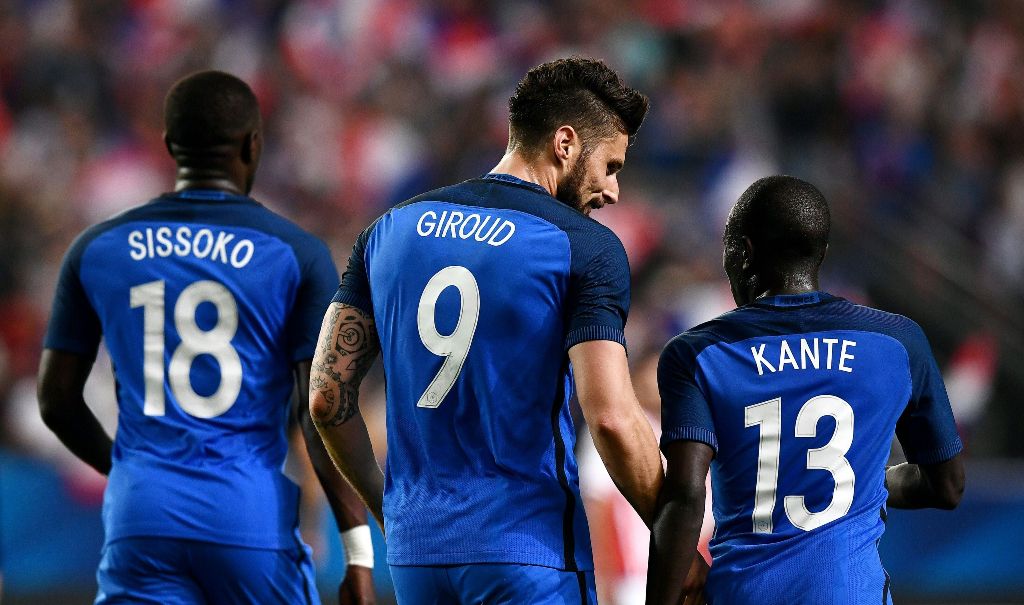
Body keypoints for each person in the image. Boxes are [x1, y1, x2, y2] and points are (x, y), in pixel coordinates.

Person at [309, 56, 666, 604]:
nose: (613, 192)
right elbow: (614, 419)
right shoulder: (584, 247)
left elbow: (325, 397)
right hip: (528, 551)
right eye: (611, 167)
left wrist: (391, 509)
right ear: (566, 143)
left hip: (417, 556)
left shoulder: (387, 230)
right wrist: (673, 536)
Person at [37, 70, 376, 605]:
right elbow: (321, 409)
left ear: (171, 146)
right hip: (246, 516)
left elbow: (55, 401)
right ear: (252, 145)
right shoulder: (295, 253)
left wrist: (131, 472)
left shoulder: (97, 247)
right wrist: (357, 552)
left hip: (141, 514)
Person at [647, 175, 966, 605]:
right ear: (821, 253)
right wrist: (866, 483)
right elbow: (948, 486)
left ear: (742, 253)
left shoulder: (699, 354)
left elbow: (686, 496)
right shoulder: (898, 342)